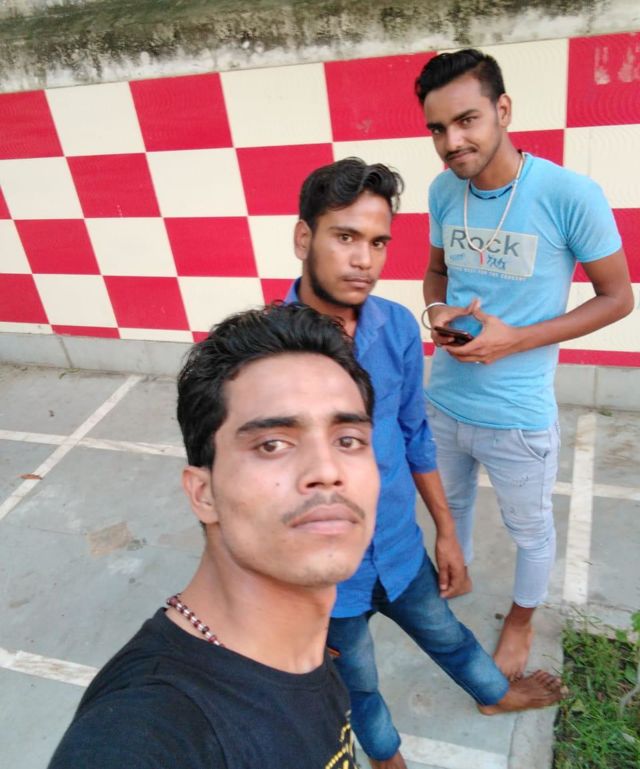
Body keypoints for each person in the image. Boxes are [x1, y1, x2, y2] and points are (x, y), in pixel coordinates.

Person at [287, 157, 566, 769]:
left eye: (378, 242)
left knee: (446, 633)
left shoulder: (393, 326)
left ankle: (493, 694)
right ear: (304, 238)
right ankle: (386, 758)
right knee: (357, 683)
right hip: (326, 577)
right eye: (345, 237)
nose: (364, 259)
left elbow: (415, 433)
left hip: (398, 548)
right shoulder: (266, 352)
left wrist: (445, 530)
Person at [48, 302, 382, 769]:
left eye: (348, 440)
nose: (327, 470)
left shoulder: (303, 647)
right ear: (202, 493)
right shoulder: (149, 725)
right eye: (272, 444)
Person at [416, 49, 634, 680]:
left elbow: (618, 297)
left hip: (517, 415)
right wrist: (437, 311)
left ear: (503, 110)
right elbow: (436, 271)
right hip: (444, 401)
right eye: (437, 128)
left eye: (467, 120)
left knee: (530, 531)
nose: (452, 142)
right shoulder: (443, 190)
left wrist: (515, 341)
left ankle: (519, 620)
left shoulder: (569, 194)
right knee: (449, 510)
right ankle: (454, 573)